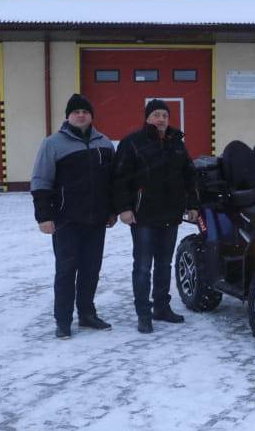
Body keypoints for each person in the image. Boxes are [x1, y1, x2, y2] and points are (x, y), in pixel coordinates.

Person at [31, 94, 117, 339]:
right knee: (67, 270)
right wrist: (44, 216)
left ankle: (87, 314)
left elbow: (112, 182)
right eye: (76, 112)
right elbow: (41, 181)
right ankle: (63, 320)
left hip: (96, 220)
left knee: (91, 269)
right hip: (66, 220)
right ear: (68, 116)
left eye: (85, 112)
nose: (81, 115)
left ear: (92, 116)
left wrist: (111, 210)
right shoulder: (53, 144)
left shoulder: (105, 144)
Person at [113, 99, 199, 334]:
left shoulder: (177, 144)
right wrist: (124, 208)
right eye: (156, 115)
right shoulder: (132, 143)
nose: (161, 119)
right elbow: (120, 178)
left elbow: (189, 175)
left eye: (164, 115)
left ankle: (161, 307)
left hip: (170, 214)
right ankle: (144, 313)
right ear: (147, 118)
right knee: (142, 266)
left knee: (164, 264)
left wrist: (192, 204)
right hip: (143, 216)